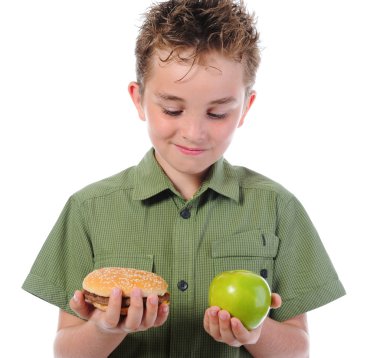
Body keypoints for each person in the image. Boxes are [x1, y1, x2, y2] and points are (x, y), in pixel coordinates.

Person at [22, 0, 345, 357]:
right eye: (173, 109)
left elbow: (297, 349)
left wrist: (253, 332)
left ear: (245, 108)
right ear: (139, 99)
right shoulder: (88, 209)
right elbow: (66, 350)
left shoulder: (277, 207)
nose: (194, 132)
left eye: (217, 112)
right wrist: (104, 327)